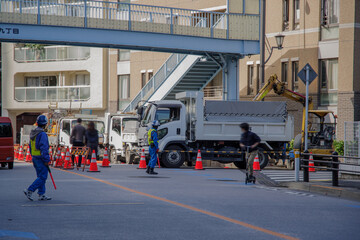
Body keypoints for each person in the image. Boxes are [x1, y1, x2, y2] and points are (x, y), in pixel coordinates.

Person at [24, 115, 52, 201]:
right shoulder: (42, 134)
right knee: (43, 177)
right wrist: (46, 160)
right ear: (45, 124)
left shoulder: (33, 133)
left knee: (40, 176)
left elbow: (30, 146)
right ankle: (30, 190)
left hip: (35, 157)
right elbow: (44, 148)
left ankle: (41, 194)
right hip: (41, 158)